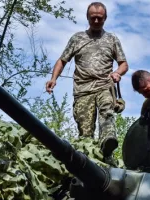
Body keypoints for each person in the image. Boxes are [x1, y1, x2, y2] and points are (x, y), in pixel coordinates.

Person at [46, 2, 128, 162]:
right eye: (93, 18)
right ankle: (89, 162)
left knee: (107, 113)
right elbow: (62, 61)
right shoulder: (77, 39)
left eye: (100, 18)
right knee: (85, 134)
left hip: (104, 85)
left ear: (105, 18)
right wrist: (53, 79)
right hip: (82, 91)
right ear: (87, 18)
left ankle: (107, 147)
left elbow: (123, 63)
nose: (96, 21)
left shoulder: (112, 39)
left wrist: (117, 73)